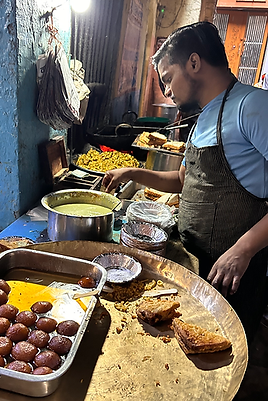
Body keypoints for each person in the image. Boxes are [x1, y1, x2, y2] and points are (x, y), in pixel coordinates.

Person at [102, 21, 268, 342]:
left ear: (194, 63)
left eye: (168, 79)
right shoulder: (203, 116)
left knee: (224, 352)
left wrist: (243, 250)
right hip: (191, 262)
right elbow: (182, 181)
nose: (166, 91)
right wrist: (132, 173)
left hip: (231, 271)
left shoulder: (251, 106)